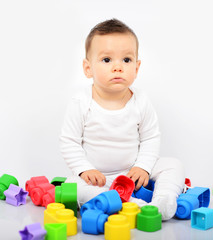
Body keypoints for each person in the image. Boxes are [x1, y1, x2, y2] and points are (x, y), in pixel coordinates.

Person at [60, 18, 185, 220]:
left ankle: (163, 200)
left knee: (172, 164)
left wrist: (142, 167)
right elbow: (69, 141)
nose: (118, 67)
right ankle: (131, 205)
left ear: (136, 68)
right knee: (71, 186)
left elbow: (151, 138)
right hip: (98, 178)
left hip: (132, 172)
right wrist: (85, 170)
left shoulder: (141, 101)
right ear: (87, 68)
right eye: (107, 60)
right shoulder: (81, 102)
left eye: (126, 60)